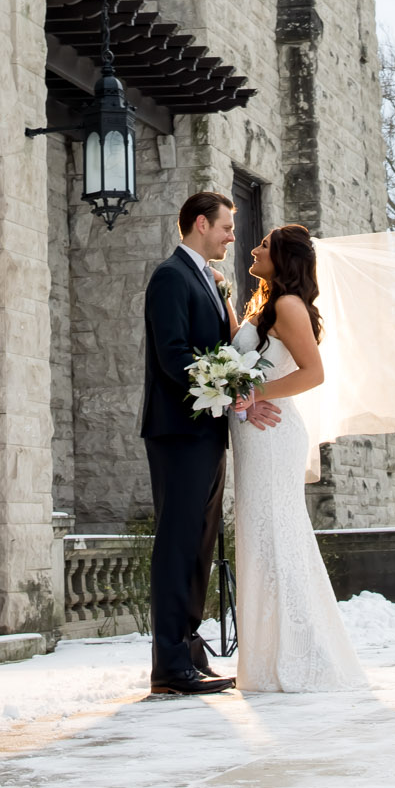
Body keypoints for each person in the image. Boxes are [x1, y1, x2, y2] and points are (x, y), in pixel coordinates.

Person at [140, 190, 279, 695]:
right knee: (177, 544)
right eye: (225, 227)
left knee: (198, 542)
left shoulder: (208, 279)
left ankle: (190, 653)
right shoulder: (170, 277)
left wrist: (232, 395)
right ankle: (169, 666)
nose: (231, 237)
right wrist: (235, 391)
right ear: (201, 224)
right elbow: (172, 355)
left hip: (206, 430)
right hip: (177, 430)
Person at [230, 224, 365, 693]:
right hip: (255, 435)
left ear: (283, 258)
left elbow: (314, 373)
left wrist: (250, 392)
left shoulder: (287, 306)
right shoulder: (264, 307)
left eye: (264, 245)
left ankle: (302, 659)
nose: (253, 248)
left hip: (272, 433)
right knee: (261, 539)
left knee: (276, 541)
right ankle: (270, 659)